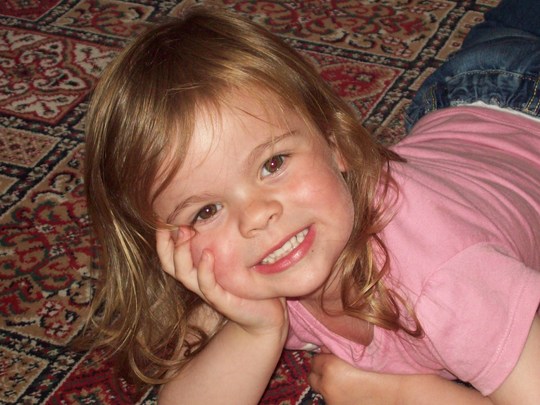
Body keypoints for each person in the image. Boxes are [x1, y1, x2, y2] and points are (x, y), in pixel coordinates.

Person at [81, 0, 540, 403]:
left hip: (510, 89)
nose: (257, 216)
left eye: (273, 163)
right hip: (461, 121)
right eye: (207, 211)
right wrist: (256, 330)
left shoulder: (447, 282)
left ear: (336, 143)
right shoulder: (241, 272)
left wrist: (402, 395)